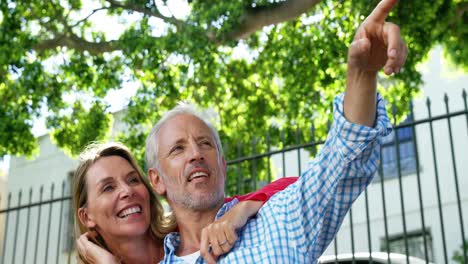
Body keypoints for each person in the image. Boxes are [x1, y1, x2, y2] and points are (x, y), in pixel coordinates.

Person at [146, 0, 407, 263]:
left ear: (223, 166)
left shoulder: (282, 219)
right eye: (178, 148)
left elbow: (342, 162)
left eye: (205, 144)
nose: (195, 154)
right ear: (156, 180)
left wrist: (362, 73)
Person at [73, 142, 296, 263]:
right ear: (87, 217)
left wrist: (242, 209)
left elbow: (294, 186)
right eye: (108, 187)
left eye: (133, 179)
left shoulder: (187, 231)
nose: (126, 191)